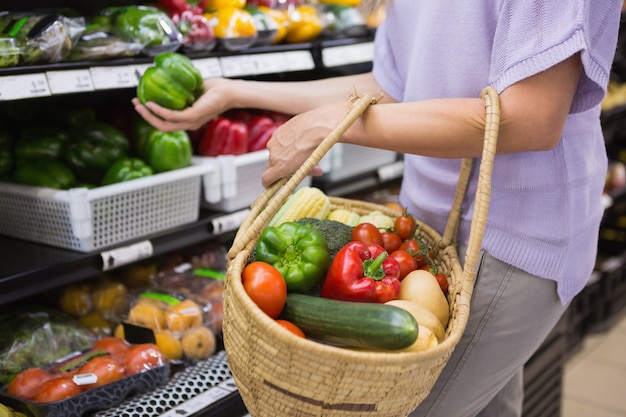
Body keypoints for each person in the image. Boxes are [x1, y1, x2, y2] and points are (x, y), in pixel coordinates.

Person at [133, 1, 623, 415]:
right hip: (424, 235)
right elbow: (390, 88)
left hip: (510, 238)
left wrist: (335, 127)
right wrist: (237, 93)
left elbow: (529, 119)